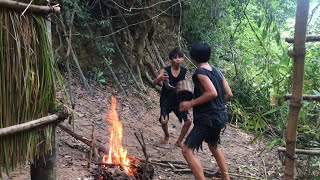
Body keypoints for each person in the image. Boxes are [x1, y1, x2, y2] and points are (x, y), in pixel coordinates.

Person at [179, 41, 233, 180]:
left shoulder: (200, 73)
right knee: (213, 146)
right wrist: (217, 106)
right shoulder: (217, 71)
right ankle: (226, 178)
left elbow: (212, 93)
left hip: (208, 119)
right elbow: (229, 94)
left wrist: (190, 104)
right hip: (220, 116)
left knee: (187, 150)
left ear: (193, 58)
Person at [153, 48, 192, 147]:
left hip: (179, 100)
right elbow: (154, 83)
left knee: (188, 121)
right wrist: (160, 78)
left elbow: (186, 84)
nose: (178, 59)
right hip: (166, 100)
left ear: (183, 59)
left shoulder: (184, 71)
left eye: (180, 57)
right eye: (175, 58)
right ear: (171, 60)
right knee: (164, 121)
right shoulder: (165, 70)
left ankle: (179, 141)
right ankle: (166, 135)